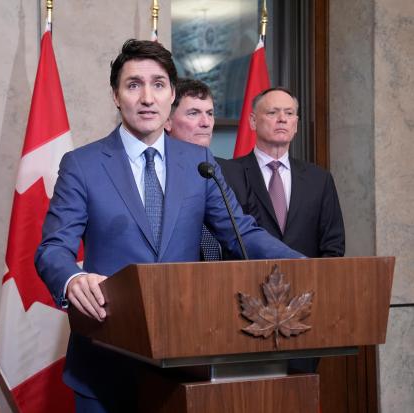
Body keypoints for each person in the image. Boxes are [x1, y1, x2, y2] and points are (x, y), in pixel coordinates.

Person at [35, 39, 304, 412]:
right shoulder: (82, 164)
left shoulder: (199, 161)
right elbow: (52, 249)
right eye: (134, 85)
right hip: (106, 361)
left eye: (158, 84)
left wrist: (305, 266)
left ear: (171, 95)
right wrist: (71, 279)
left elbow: (244, 232)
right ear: (116, 95)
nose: (147, 97)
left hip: (185, 358)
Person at [222, 87, 345, 258]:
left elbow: (333, 246)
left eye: (289, 113)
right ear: (253, 121)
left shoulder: (319, 179)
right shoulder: (229, 174)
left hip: (307, 282)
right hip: (245, 281)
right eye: (272, 113)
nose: (282, 119)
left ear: (296, 124)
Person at [165, 77, 221, 260]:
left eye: (210, 113)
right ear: (167, 121)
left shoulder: (222, 173)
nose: (206, 122)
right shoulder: (153, 171)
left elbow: (241, 232)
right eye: (194, 113)